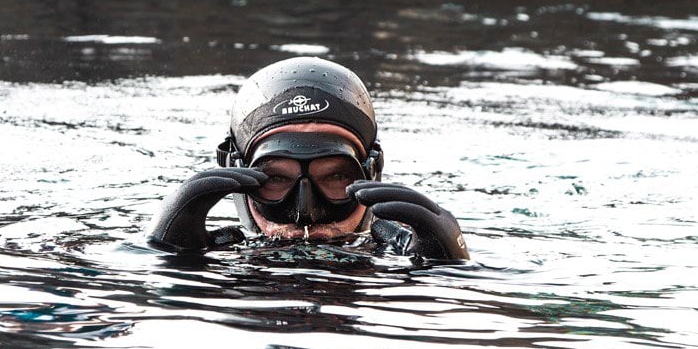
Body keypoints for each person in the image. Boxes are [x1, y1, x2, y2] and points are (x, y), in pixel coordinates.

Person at [145, 56, 469, 261]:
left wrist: (448, 269)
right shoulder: (206, 256)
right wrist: (167, 257)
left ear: (371, 171)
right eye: (274, 178)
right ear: (235, 174)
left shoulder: (404, 258)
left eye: (337, 177)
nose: (306, 213)